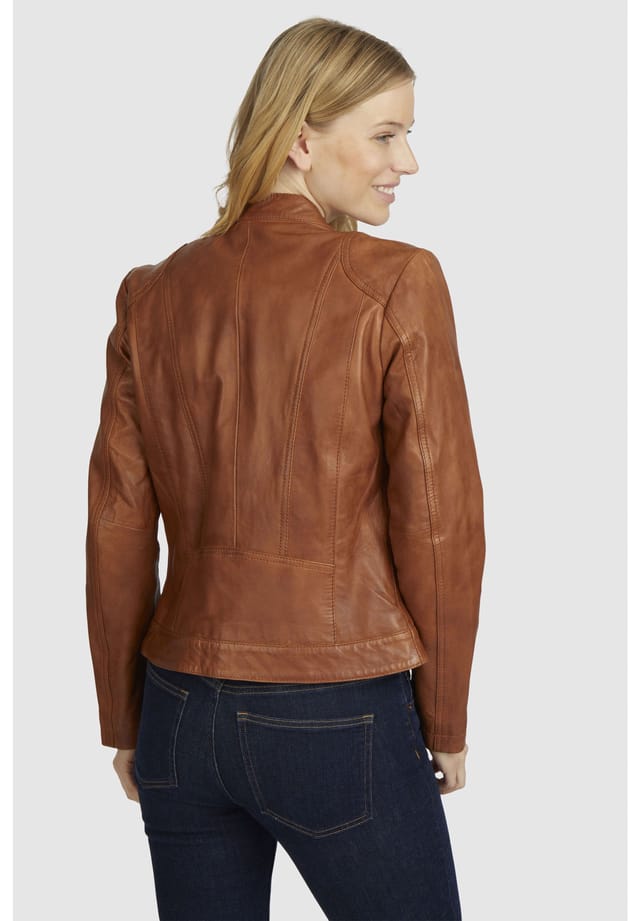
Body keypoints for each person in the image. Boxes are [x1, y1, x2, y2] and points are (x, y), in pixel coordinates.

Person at [85, 16, 485, 921]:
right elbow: (440, 523)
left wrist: (125, 717)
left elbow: (115, 522)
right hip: (337, 712)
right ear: (303, 140)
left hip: (178, 714)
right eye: (386, 134)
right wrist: (446, 716)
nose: (408, 161)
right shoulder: (398, 281)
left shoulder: (152, 295)